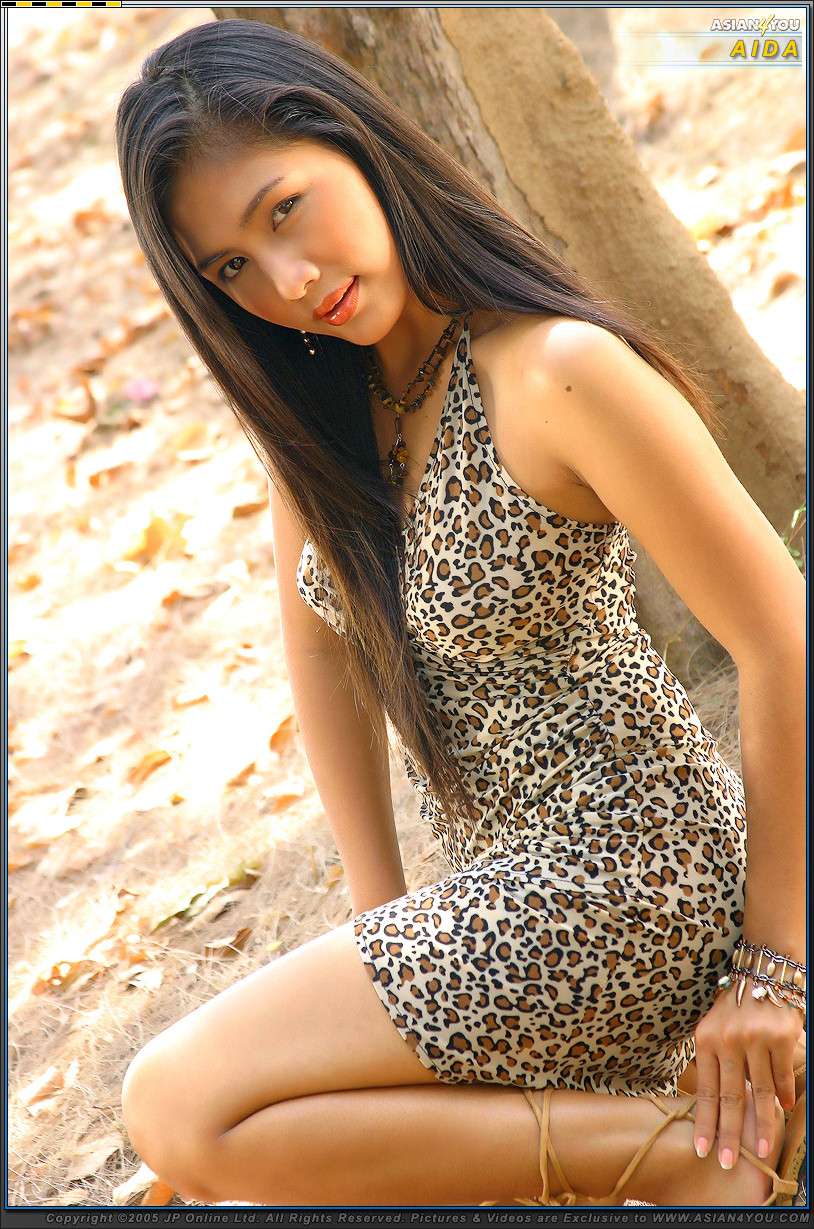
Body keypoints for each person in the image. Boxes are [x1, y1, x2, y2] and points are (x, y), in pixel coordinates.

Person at [113, 17, 806, 1209]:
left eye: (285, 210)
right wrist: (382, 917)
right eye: (231, 268)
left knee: (175, 1104)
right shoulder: (325, 418)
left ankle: (685, 1159)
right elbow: (321, 653)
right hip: (497, 896)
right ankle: (654, 1144)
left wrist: (775, 965)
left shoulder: (554, 370)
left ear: (355, 144)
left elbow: (780, 637)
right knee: (222, 1132)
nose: (287, 281)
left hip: (633, 872)